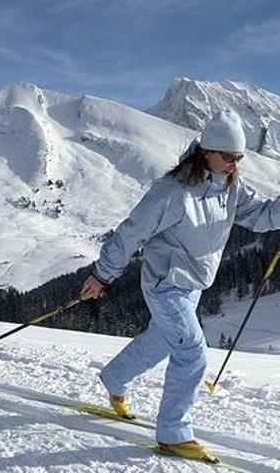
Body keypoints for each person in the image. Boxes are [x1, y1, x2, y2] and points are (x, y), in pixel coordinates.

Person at [81, 110, 280, 462]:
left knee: (160, 340)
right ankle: (173, 434)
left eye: (240, 158)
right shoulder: (172, 193)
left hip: (194, 285)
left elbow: (263, 216)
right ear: (207, 152)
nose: (235, 164)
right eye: (229, 157)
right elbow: (131, 233)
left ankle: (115, 379)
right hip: (164, 284)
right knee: (192, 351)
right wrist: (102, 275)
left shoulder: (231, 189)